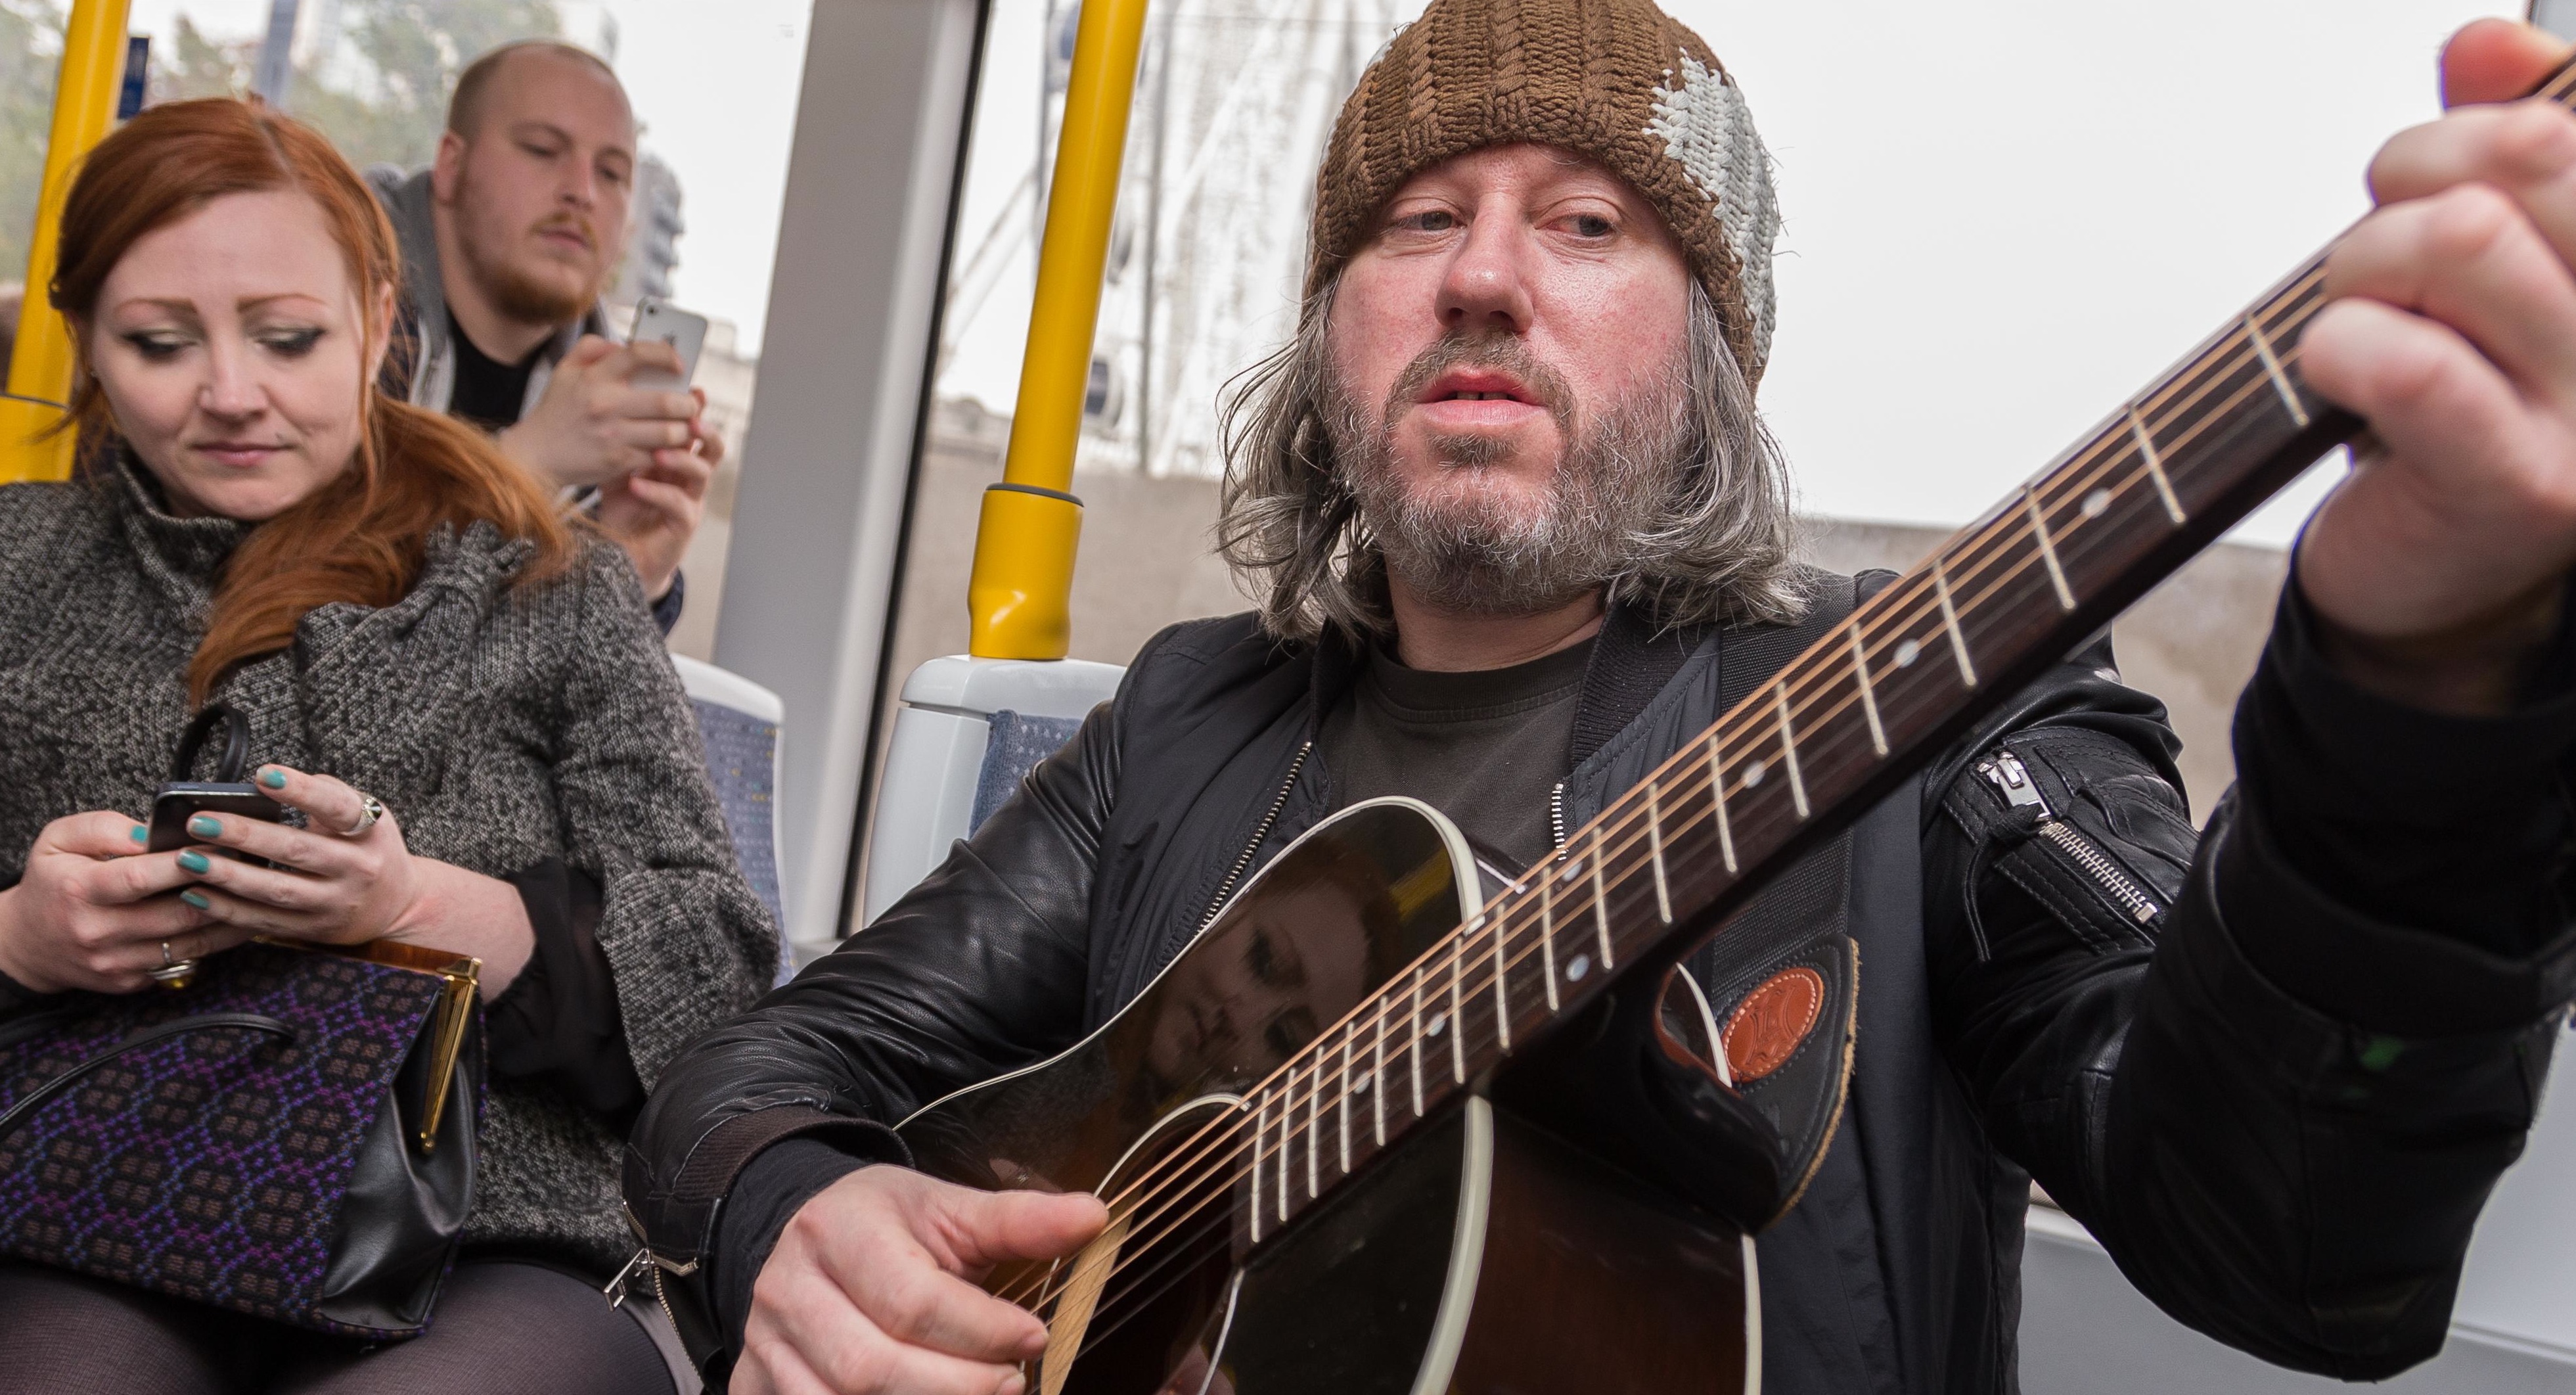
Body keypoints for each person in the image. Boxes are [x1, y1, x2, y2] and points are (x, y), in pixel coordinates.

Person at [625, 5, 2576, 1393]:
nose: (1482, 276)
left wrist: (2419, 698)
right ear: (1332, 341)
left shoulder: (1935, 715)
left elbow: (2292, 1242)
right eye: (1414, 219)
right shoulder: (1183, 718)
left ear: (1706, 351)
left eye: (1585, 222)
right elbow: (766, 1060)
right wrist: (792, 1209)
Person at [0, 99, 775, 1393]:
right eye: (156, 343)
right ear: (82, 340)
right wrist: (22, 935)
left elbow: (719, 954)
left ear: (374, 318)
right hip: (80, 1195)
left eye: (289, 338)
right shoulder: (21, 568)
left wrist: (419, 907)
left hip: (485, 1235)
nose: (230, 393)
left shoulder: (545, 578)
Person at [367, 38, 717, 631]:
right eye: (541, 149)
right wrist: (525, 466)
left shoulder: (601, 405)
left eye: (612, 173)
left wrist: (635, 582)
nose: (581, 190)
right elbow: (300, 592)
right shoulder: (333, 312)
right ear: (452, 165)